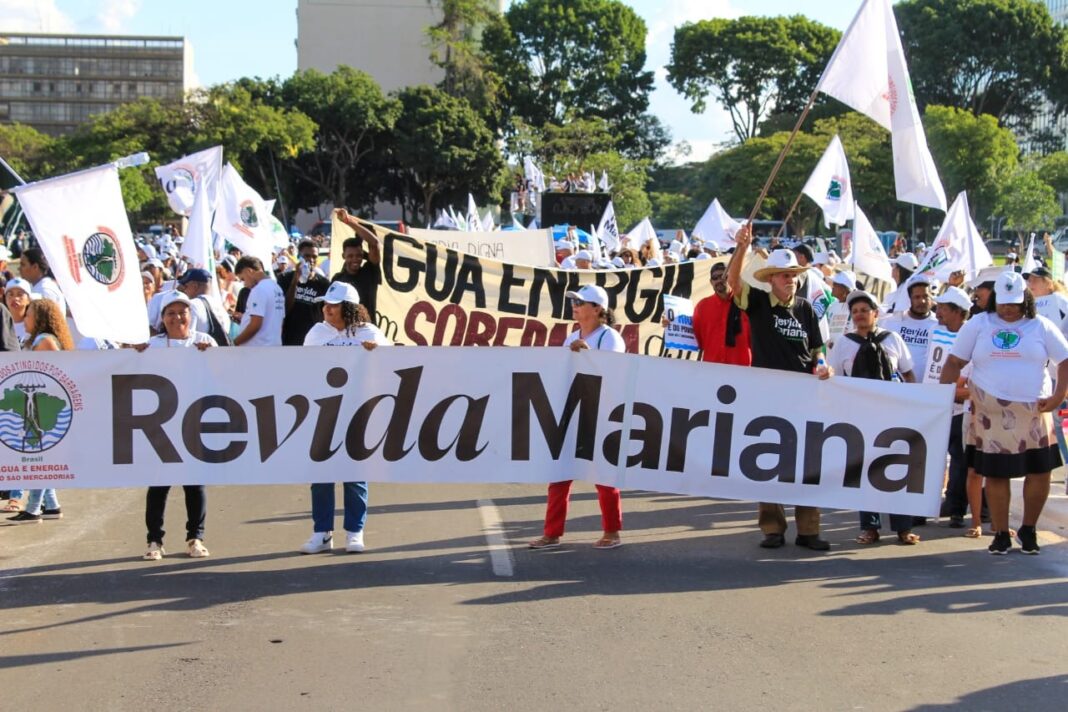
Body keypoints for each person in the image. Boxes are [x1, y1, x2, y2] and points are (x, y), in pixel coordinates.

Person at [941, 272, 1068, 555]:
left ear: (1027, 299)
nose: (1009, 308)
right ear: (994, 299)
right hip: (990, 412)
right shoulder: (978, 324)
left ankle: (1029, 529)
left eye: (1015, 302)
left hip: (1034, 410)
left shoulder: (1041, 326)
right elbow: (954, 361)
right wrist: (943, 395)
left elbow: (1065, 360)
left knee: (1040, 472)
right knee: (996, 474)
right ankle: (1000, 532)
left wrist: (1059, 396)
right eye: (1003, 303)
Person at [726, 228, 831, 551]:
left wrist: (824, 364)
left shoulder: (805, 309)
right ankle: (772, 528)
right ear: (770, 279)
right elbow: (734, 282)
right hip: (767, 395)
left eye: (794, 275)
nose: (791, 281)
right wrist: (742, 248)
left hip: (803, 396)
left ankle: (808, 530)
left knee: (805, 462)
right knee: (768, 460)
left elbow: (817, 348)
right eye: (784, 276)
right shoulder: (757, 303)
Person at [529, 285, 626, 551]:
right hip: (573, 411)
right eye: (574, 301)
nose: (575, 306)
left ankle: (612, 532)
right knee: (559, 474)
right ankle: (552, 533)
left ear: (598, 309)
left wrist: (588, 355)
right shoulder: (571, 336)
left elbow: (613, 373)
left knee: (603, 475)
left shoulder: (610, 338)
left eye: (581, 302)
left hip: (600, 413)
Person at [300, 282, 391, 554]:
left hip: (359, 410)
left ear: (349, 308)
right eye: (325, 304)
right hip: (323, 410)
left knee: (355, 474)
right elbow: (302, 369)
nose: (327, 309)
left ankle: (354, 531)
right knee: (321, 474)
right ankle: (322, 532)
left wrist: (377, 352)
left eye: (334, 304)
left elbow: (390, 366)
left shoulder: (370, 332)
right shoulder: (317, 333)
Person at [827, 290, 919, 545]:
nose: (859, 315)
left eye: (864, 310)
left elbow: (909, 374)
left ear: (875, 314)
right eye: (855, 311)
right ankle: (870, 527)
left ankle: (903, 527)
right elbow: (836, 380)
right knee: (865, 471)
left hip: (893, 415)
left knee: (897, 470)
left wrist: (914, 404)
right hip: (860, 416)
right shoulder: (844, 343)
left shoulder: (893, 340)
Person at [136, 292, 215, 559]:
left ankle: (196, 537)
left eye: (183, 312)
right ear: (162, 318)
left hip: (195, 422)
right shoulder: (151, 345)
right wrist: (133, 352)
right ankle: (154, 541)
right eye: (171, 313)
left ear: (191, 315)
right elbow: (127, 368)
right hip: (161, 425)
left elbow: (225, 372)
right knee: (159, 485)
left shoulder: (204, 341)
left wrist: (213, 356)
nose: (177, 317)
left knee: (195, 484)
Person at [6, 300, 72, 524]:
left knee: (36, 460)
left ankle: (33, 509)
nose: (25, 318)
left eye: (29, 314)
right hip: (34, 403)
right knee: (38, 457)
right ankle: (52, 506)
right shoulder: (36, 340)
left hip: (42, 406)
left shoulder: (45, 341)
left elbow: (56, 373)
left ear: (40, 317)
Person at [923, 287, 973, 531]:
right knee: (930, 457)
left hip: (960, 406)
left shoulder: (972, 335)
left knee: (960, 461)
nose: (938, 311)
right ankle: (923, 506)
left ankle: (956, 510)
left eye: (943, 308)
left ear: (957, 312)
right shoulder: (935, 331)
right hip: (934, 404)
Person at [691, 261, 751, 366]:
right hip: (712, 371)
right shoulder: (702, 307)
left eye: (724, 276)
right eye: (715, 278)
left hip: (743, 371)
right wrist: (671, 323)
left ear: (732, 277)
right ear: (711, 282)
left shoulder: (747, 303)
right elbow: (694, 339)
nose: (720, 280)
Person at [881, 274, 938, 376]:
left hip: (927, 389)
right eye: (917, 297)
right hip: (896, 388)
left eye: (926, 296)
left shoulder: (939, 324)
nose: (922, 301)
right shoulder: (892, 323)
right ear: (908, 299)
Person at [331, 209, 382, 323]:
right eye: (350, 256)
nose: (355, 259)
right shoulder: (337, 279)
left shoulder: (369, 272)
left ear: (363, 255)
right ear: (343, 256)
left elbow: (374, 244)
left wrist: (347, 221)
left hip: (367, 333)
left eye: (358, 255)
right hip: (345, 335)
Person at [279, 239, 330, 346]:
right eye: (307, 256)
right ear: (299, 257)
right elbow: (285, 309)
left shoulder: (324, 284)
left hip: (314, 340)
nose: (311, 260)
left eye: (314, 257)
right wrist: (295, 281)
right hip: (290, 338)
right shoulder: (285, 278)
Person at [233, 256, 285, 347]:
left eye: (243, 279)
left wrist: (234, 343)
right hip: (272, 346)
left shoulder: (258, 290)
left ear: (249, 271)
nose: (244, 284)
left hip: (256, 350)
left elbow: (255, 325)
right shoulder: (277, 288)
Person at [18, 247, 66, 316]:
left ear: (35, 267)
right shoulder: (37, 287)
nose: (19, 268)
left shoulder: (45, 290)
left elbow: (46, 322)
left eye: (23, 264)